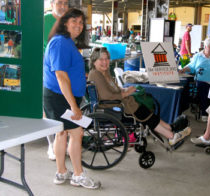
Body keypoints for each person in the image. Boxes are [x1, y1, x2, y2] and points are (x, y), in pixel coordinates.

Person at [88, 47, 191, 147]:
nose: (105, 62)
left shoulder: (104, 73)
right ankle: (171, 135)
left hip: (117, 103)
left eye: (106, 59)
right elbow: (107, 96)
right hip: (112, 107)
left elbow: (113, 90)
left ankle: (169, 128)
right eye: (101, 59)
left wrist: (124, 90)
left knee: (143, 108)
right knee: (142, 112)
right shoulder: (96, 74)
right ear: (94, 61)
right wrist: (126, 93)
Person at [43, 8, 100, 189]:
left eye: (81, 22)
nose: (78, 25)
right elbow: (60, 75)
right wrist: (74, 107)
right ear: (65, 22)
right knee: (77, 133)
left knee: (61, 133)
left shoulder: (66, 41)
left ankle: (61, 172)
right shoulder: (60, 42)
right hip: (60, 98)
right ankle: (78, 175)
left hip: (59, 96)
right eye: (74, 21)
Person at [44, 0, 69, 161]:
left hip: (64, 70)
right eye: (59, 2)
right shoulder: (44, 21)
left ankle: (62, 143)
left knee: (64, 108)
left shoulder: (68, 21)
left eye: (66, 3)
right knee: (48, 111)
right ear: (52, 4)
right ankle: (51, 145)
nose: (63, 6)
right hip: (47, 71)